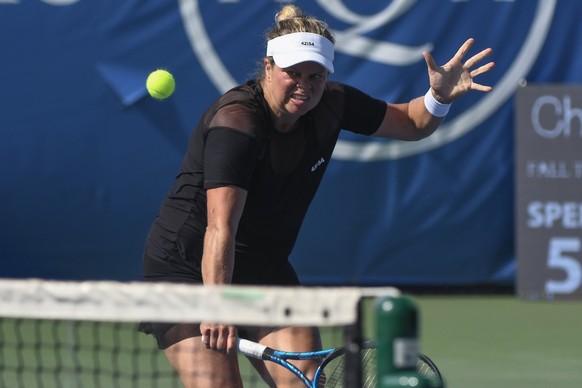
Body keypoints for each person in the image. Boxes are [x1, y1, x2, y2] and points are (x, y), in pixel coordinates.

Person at [139, 4, 494, 387]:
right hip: (189, 271)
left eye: (316, 75)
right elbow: (220, 226)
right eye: (293, 73)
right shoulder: (236, 124)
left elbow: (411, 122)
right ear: (269, 66)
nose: (304, 86)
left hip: (262, 269)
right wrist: (216, 305)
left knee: (305, 382)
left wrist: (437, 97)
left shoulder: (332, 104)